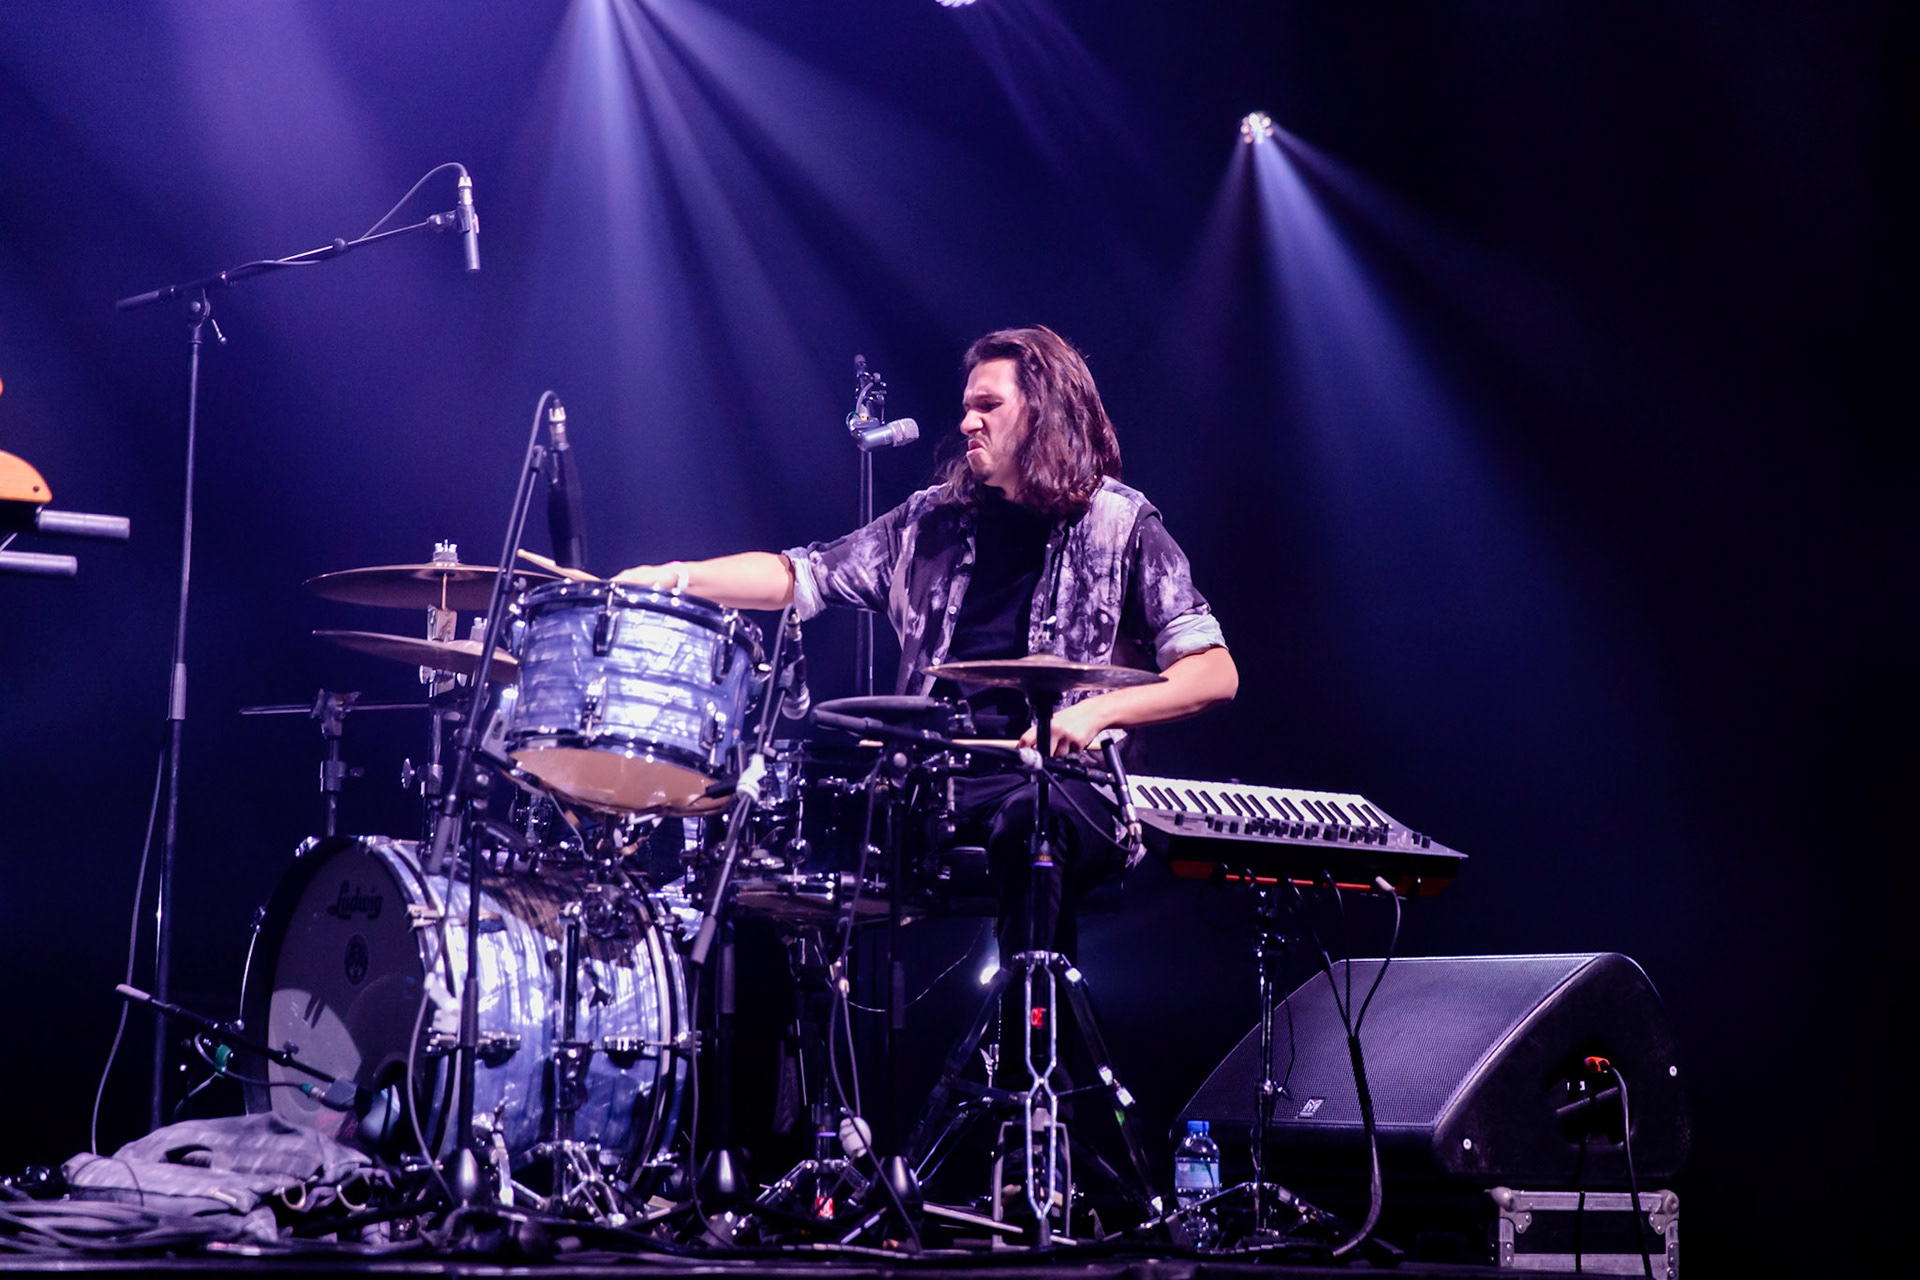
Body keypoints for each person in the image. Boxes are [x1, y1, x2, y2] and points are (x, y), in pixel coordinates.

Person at [617, 323, 1235, 1054]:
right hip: (931, 783)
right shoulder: (930, 521)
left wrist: (1098, 713)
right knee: (760, 855)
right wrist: (675, 577)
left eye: (988, 406)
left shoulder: (1121, 523)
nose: (967, 421)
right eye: (966, 406)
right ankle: (783, 1103)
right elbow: (800, 573)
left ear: (1045, 411)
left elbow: (1212, 672)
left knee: (1031, 825)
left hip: (1067, 785)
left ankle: (1029, 1091)